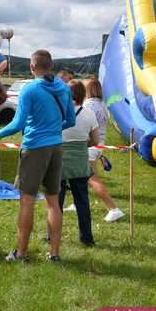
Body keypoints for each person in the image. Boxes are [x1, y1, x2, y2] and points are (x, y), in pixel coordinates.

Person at [0, 50, 75, 262]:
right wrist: (53, 128)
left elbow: (18, 123)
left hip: (35, 148)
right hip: (56, 147)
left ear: (31, 67)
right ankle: (54, 254)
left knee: (27, 201)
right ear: (51, 65)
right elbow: (70, 121)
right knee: (53, 201)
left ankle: (21, 253)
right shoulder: (64, 88)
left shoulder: (30, 89)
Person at [59, 80, 99, 246]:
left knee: (56, 203)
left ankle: (51, 236)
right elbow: (95, 140)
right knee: (82, 202)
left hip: (58, 161)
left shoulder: (58, 112)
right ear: (83, 95)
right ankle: (87, 238)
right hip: (80, 162)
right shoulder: (89, 113)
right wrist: (82, 144)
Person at [83, 78, 124, 222]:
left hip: (89, 146)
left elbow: (85, 126)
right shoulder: (101, 104)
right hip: (99, 144)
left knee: (92, 178)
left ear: (87, 90)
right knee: (82, 178)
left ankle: (114, 209)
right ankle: (78, 203)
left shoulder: (88, 105)